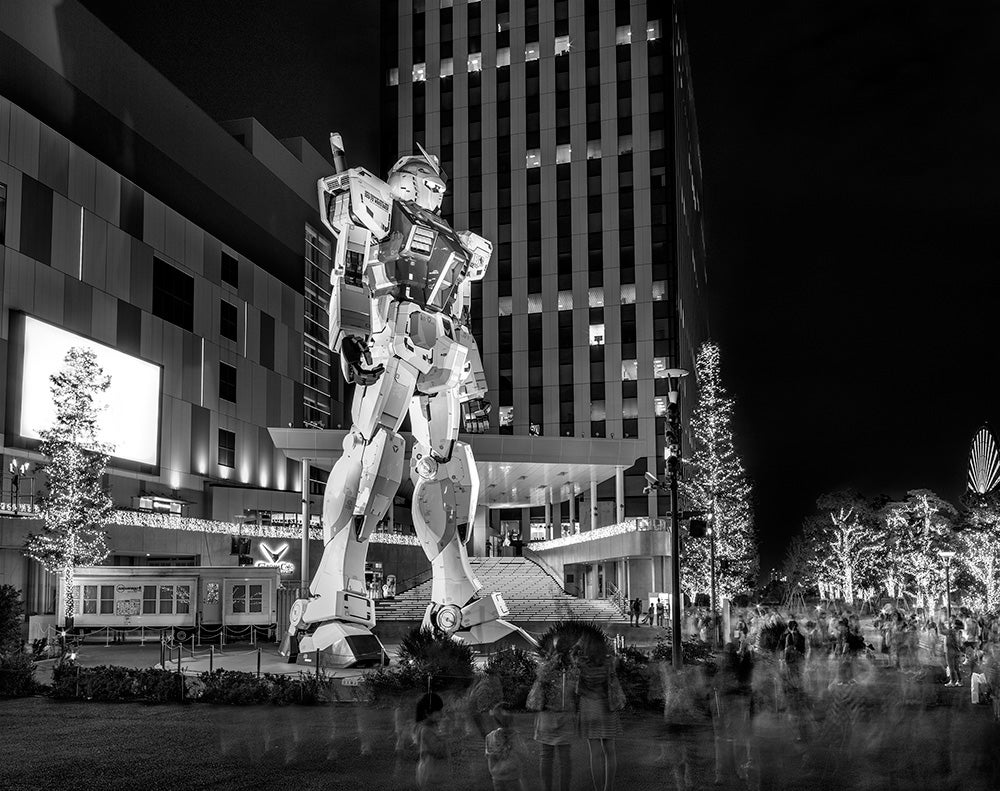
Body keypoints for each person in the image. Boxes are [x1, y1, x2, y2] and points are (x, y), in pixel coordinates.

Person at [574, 635, 623, 791]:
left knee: (594, 753)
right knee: (610, 751)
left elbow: (576, 686)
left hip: (588, 708)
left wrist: (578, 646)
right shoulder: (609, 662)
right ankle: (608, 788)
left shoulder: (581, 663)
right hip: (607, 706)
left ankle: (597, 788)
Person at [529, 639, 577, 791]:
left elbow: (577, 683)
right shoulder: (557, 666)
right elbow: (541, 677)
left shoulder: (567, 667)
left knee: (554, 758)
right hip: (552, 716)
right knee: (557, 758)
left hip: (554, 716)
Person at [485, 703, 529, 791]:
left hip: (497, 776)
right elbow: (524, 754)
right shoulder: (516, 737)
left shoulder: (489, 737)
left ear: (495, 720)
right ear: (512, 720)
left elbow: (488, 755)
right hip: (513, 775)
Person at [414, 692, 448, 790]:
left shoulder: (431, 726)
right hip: (430, 774)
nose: (441, 713)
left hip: (433, 772)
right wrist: (444, 735)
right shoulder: (426, 730)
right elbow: (439, 752)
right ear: (427, 712)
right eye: (438, 710)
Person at [944, 619, 964, 687]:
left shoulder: (951, 631)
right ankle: (960, 681)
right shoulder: (959, 632)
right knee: (956, 667)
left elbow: (941, 631)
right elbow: (960, 643)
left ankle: (952, 681)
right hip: (957, 651)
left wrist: (939, 621)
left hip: (950, 650)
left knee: (951, 667)